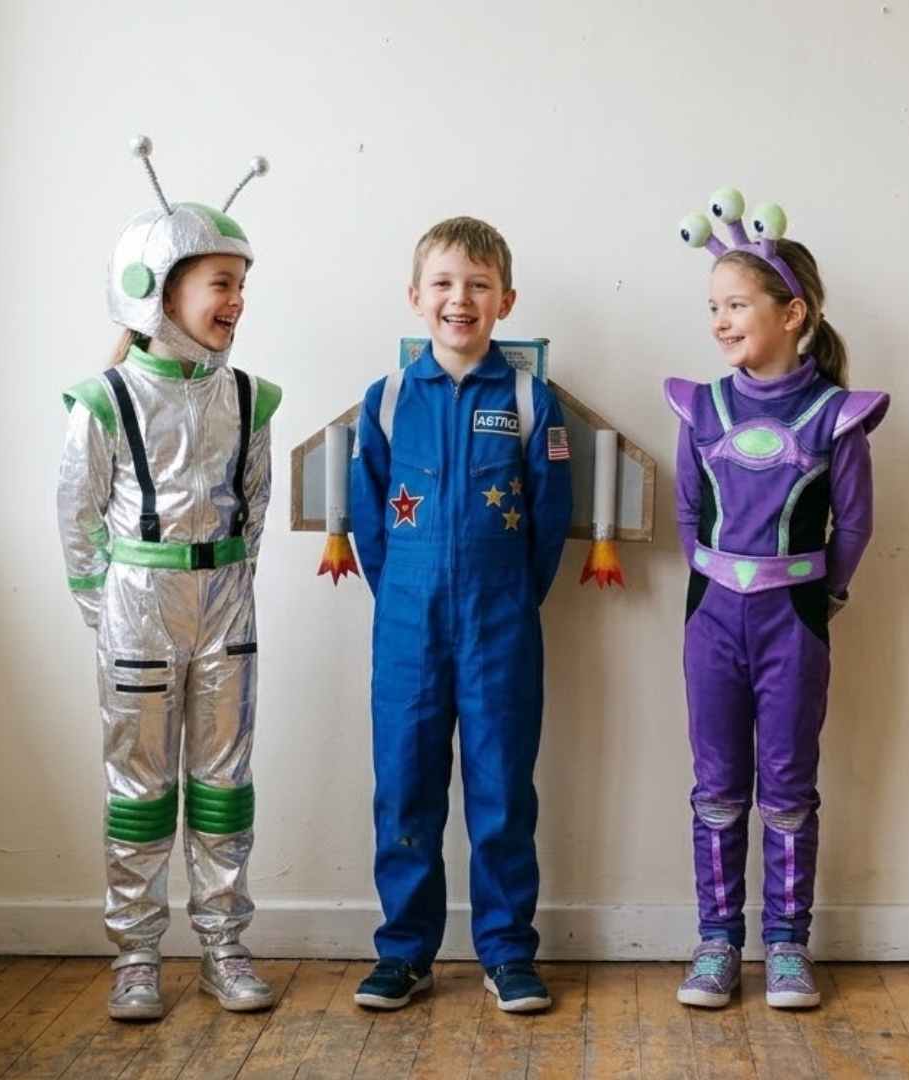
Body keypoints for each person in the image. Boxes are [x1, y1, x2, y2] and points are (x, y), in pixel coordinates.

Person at [56, 136, 282, 1021]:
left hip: (226, 604)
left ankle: (224, 945)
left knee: (226, 784)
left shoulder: (249, 399)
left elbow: (254, 508)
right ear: (157, 287)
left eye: (240, 283)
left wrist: (228, 581)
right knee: (140, 784)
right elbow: (79, 522)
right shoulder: (104, 401)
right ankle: (136, 955)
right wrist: (108, 611)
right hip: (138, 610)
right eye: (219, 282)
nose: (236, 300)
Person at [664, 189, 889, 1009]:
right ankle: (718, 942)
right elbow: (689, 510)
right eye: (713, 307)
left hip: (794, 623)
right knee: (718, 784)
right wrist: (709, 575)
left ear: (792, 313)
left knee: (788, 786)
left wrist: (821, 595)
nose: (721, 321)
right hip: (712, 619)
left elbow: (855, 523)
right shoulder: (703, 406)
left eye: (736, 305)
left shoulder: (836, 415)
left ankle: (788, 946)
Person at [347, 216, 573, 1013]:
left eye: (478, 285)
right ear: (416, 298)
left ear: (505, 301)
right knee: (404, 789)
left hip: (500, 626)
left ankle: (508, 952)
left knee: (502, 791)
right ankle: (404, 952)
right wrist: (406, 597)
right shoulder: (387, 399)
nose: (459, 299)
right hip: (406, 627)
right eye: (443, 283)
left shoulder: (526, 398)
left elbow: (549, 524)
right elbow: (367, 521)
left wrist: (505, 599)